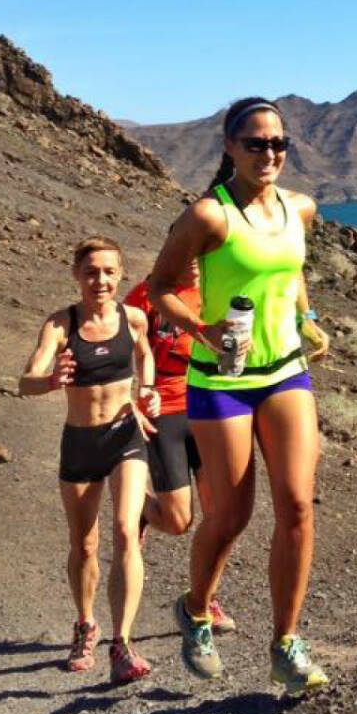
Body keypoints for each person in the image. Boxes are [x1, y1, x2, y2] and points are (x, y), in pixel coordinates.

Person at [147, 97, 332, 697]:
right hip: (221, 380)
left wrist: (306, 317)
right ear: (229, 147)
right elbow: (160, 289)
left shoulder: (300, 208)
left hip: (284, 372)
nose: (270, 153)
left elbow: (290, 267)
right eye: (256, 143)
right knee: (230, 518)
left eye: (279, 143)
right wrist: (200, 329)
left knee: (298, 505)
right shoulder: (208, 216)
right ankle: (196, 611)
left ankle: (286, 645)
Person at [19, 236, 160, 684]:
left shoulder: (133, 318)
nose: (100, 279)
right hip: (80, 442)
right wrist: (50, 381)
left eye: (109, 271)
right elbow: (26, 380)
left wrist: (148, 391)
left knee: (125, 531)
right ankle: (85, 625)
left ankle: (122, 643)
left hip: (125, 436)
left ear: (120, 275)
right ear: (77, 275)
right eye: (91, 271)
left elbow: (145, 356)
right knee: (84, 545)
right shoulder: (61, 325)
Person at [123, 247, 237, 634]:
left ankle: (204, 600)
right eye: (183, 250)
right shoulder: (145, 295)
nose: (191, 259)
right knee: (176, 522)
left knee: (220, 516)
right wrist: (130, 400)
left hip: (210, 407)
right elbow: (124, 353)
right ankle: (138, 505)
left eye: (199, 252)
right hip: (166, 410)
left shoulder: (219, 295)